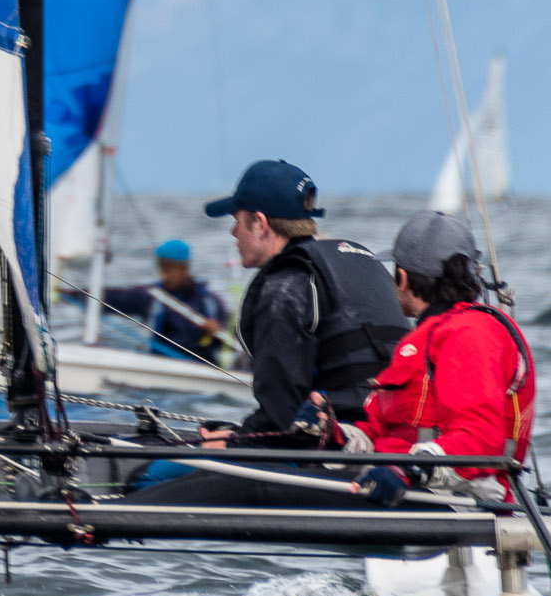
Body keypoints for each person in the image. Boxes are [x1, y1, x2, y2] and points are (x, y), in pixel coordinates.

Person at [201, 158, 408, 440]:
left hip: (341, 439)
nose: (233, 232)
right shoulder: (362, 260)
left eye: (237, 221)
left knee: (172, 462)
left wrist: (231, 442)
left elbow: (279, 418)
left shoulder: (284, 284)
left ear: (260, 224)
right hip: (398, 429)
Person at [340, 209, 536, 506]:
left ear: (402, 278)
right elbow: (377, 432)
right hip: (403, 488)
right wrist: (331, 434)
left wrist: (409, 470)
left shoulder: (469, 333)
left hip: (457, 502)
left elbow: (479, 440)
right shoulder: (431, 336)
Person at [98, 240, 229, 363]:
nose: (164, 276)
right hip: (161, 365)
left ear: (184, 268)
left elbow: (232, 341)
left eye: (169, 270)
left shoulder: (210, 302)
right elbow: (113, 298)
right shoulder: (151, 296)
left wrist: (216, 332)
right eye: (161, 269)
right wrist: (87, 294)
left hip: (200, 367)